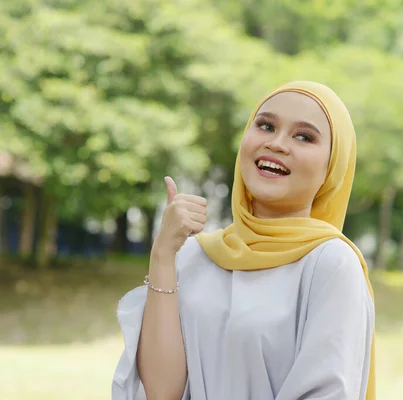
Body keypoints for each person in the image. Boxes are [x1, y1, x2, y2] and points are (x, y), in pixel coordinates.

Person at [112, 81, 376, 400]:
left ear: (332, 169)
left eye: (304, 136)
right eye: (266, 126)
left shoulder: (330, 264)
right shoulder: (194, 254)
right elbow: (162, 392)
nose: (277, 144)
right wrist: (163, 255)